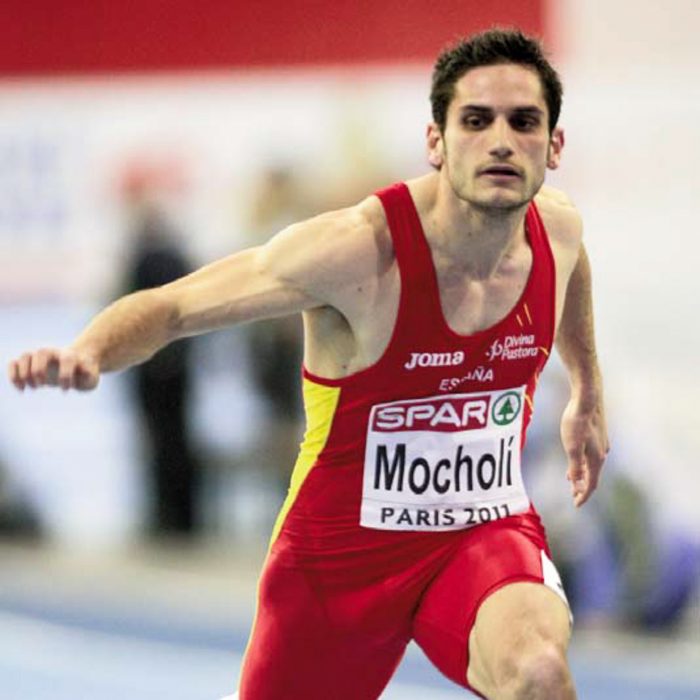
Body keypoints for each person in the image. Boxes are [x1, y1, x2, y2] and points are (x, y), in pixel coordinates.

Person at [8, 28, 609, 700]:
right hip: (339, 560)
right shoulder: (357, 253)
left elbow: (572, 269)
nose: (501, 141)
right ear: (436, 142)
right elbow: (176, 306)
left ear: (554, 146)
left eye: (523, 122)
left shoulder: (559, 229)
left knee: (538, 674)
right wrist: (89, 350)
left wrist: (586, 388)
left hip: (479, 531)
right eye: (476, 120)